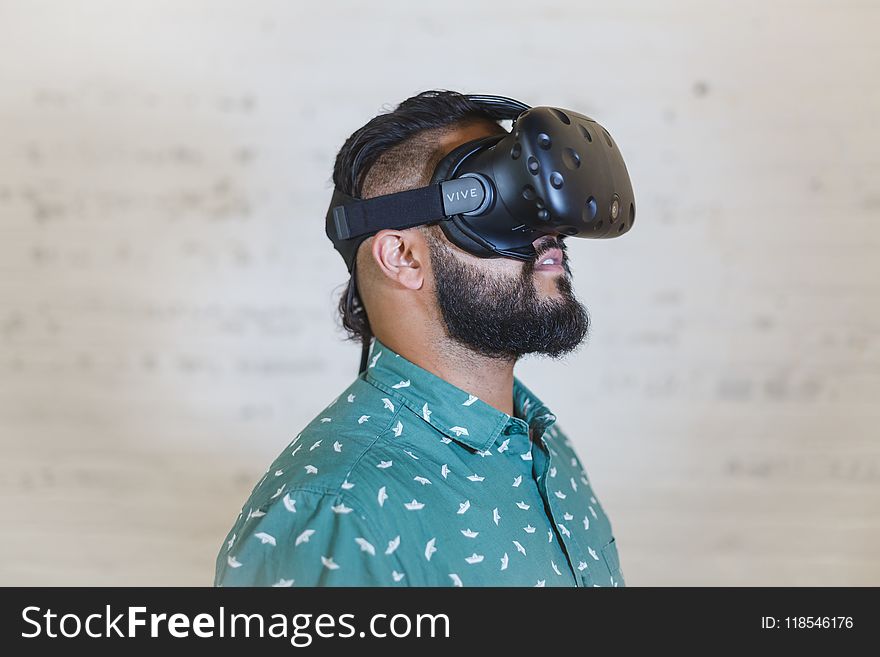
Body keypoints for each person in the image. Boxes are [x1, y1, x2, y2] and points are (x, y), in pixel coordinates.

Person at [214, 90, 625, 587]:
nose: (548, 233)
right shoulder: (336, 514)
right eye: (504, 200)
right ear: (403, 258)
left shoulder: (540, 441)